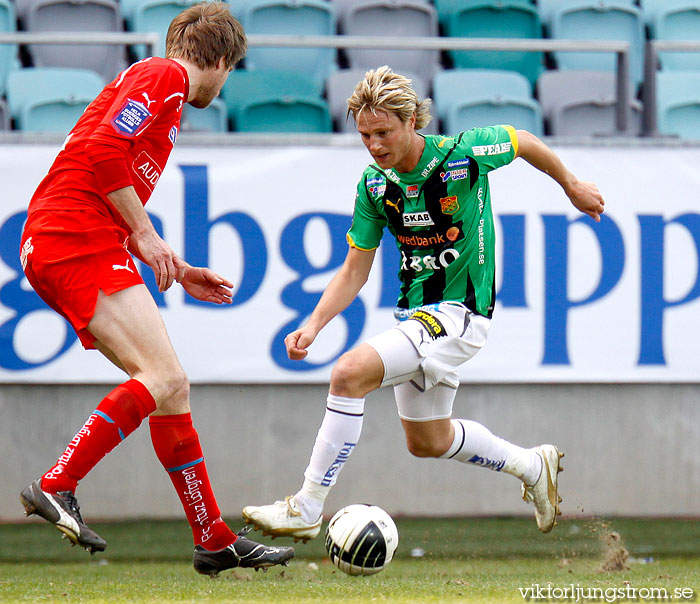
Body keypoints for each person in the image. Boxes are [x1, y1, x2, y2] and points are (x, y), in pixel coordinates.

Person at [242, 65, 605, 542]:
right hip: (417, 317)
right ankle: (531, 466)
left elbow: (523, 141)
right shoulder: (375, 186)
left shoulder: (464, 153)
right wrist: (314, 325)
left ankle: (307, 506)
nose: (374, 145)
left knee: (348, 374)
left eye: (384, 132)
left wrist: (571, 185)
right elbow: (355, 267)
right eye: (365, 135)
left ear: (412, 119)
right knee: (428, 441)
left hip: (460, 313)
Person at [18, 2, 294, 576]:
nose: (225, 82)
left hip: (71, 238)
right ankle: (57, 481)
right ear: (219, 60)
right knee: (166, 378)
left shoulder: (154, 88)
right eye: (231, 70)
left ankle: (213, 540)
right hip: (73, 236)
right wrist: (145, 236)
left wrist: (179, 265)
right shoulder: (166, 76)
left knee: (170, 389)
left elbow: (105, 163)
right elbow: (101, 154)